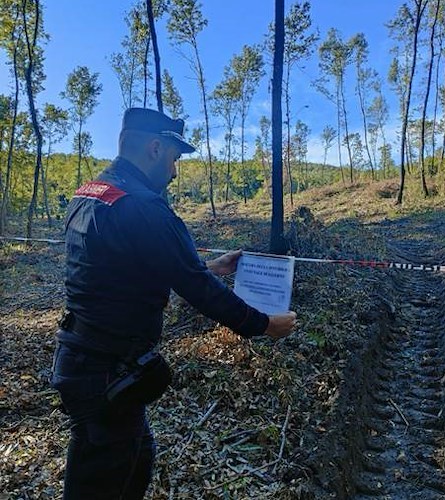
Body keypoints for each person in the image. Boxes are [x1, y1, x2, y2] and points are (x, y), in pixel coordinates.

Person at [50, 107, 297, 500]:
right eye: (174, 158)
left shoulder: (92, 193)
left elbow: (124, 263)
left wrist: (210, 266)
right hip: (106, 372)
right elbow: (195, 288)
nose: (175, 171)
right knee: (102, 482)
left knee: (136, 460)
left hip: (90, 362)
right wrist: (264, 324)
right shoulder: (144, 207)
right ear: (153, 147)